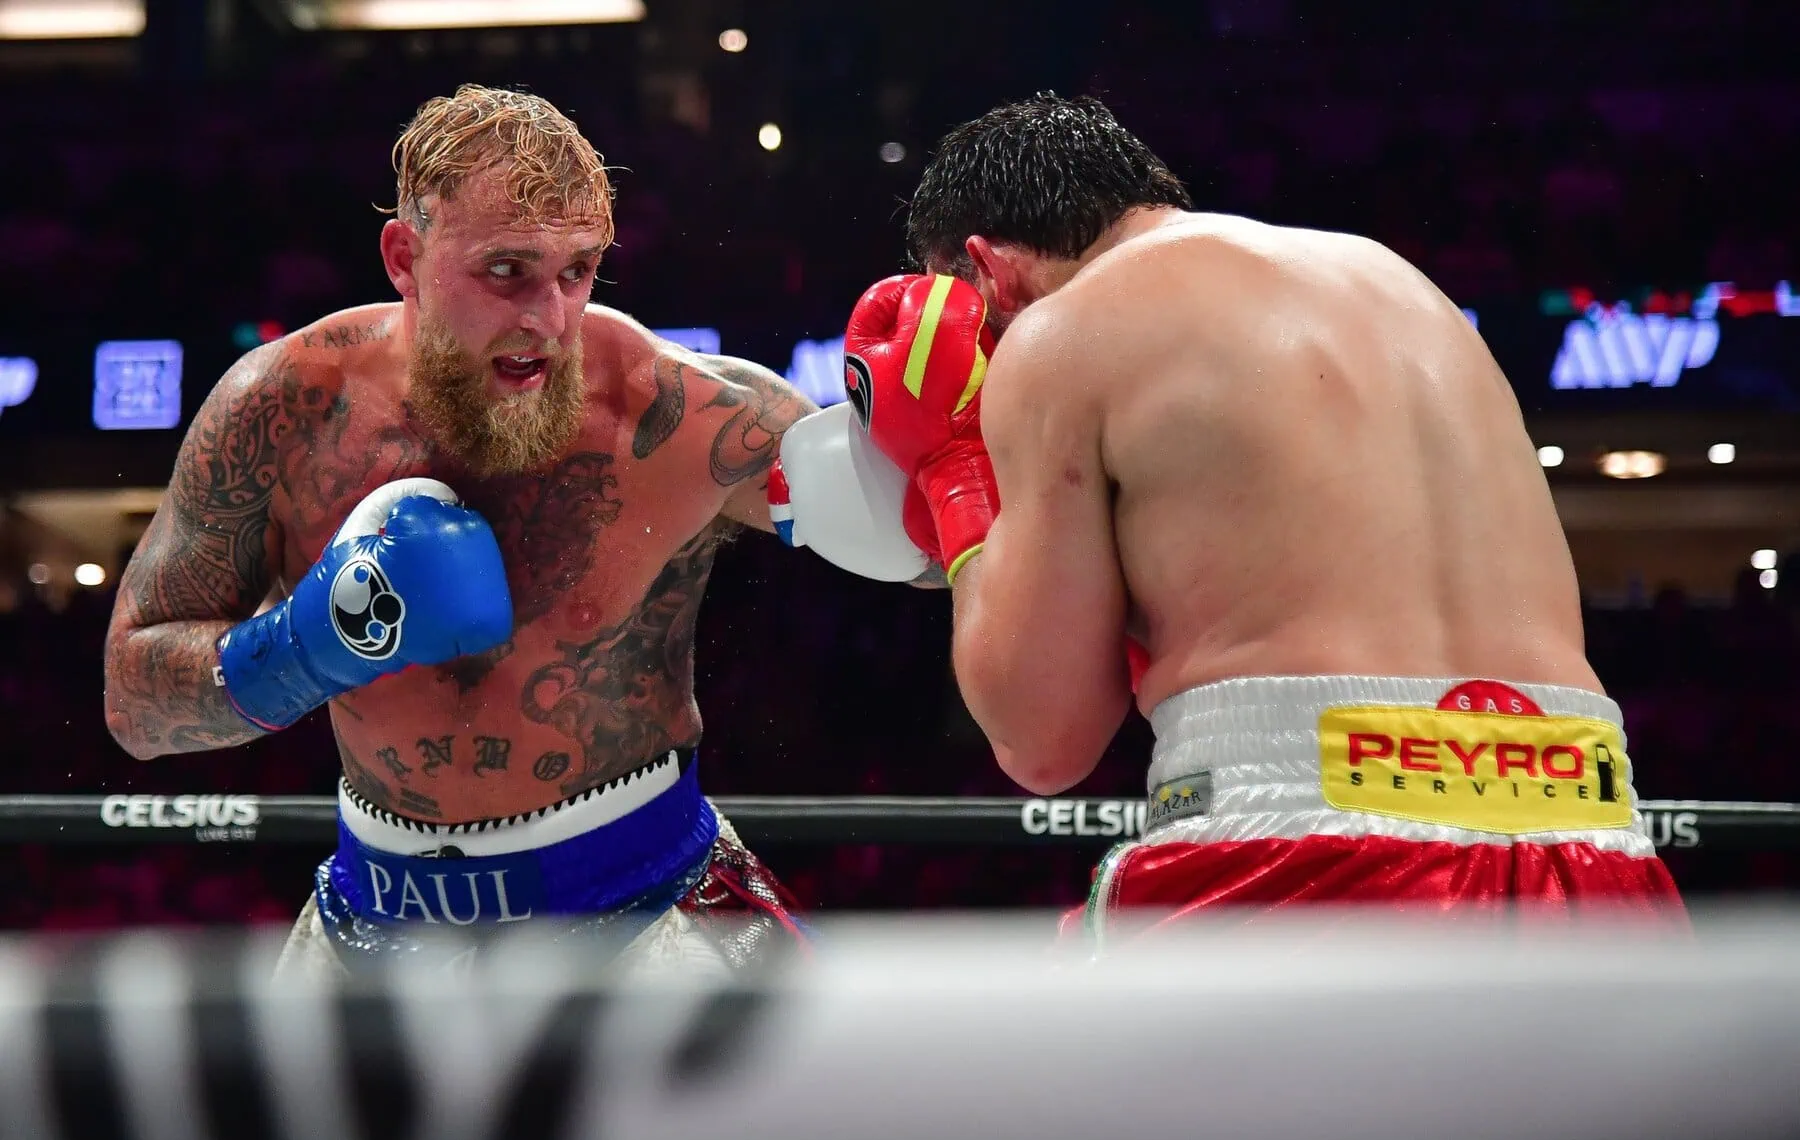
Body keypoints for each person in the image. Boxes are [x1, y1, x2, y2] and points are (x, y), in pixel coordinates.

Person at [101, 84, 917, 976]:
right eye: (506, 271)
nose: (549, 318)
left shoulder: (683, 415)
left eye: (577, 271)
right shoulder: (285, 412)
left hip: (644, 909)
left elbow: (922, 557)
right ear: (404, 257)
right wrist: (307, 645)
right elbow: (134, 704)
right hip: (372, 920)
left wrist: (951, 452)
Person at [841, 93, 1685, 939]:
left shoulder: (1057, 334)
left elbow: (1042, 740)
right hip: (1596, 844)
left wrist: (954, 467)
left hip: (1312, 851)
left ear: (985, 272)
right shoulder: (1398, 283)